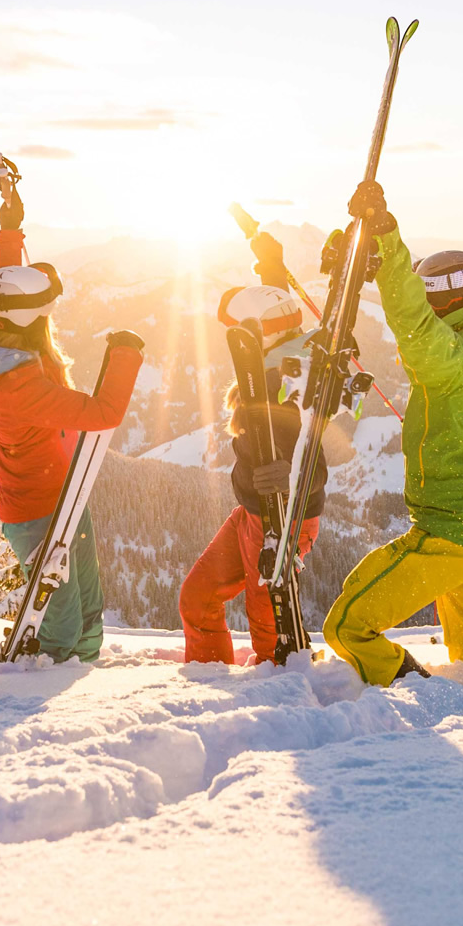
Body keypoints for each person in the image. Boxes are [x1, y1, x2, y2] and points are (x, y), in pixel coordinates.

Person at [323, 180, 463, 685]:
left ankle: (411, 689)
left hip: (453, 533)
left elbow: (410, 316)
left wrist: (386, 234)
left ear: (441, 301)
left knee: (348, 627)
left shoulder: (454, 362)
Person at [0, 179, 143, 662]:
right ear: (33, 319)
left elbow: (7, 286)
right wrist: (125, 353)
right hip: (40, 514)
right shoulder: (19, 387)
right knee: (61, 620)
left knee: (89, 609)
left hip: (65, 498)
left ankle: (84, 678)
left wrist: (10, 230)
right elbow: (103, 414)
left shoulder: (7, 345)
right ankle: (44, 692)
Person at [177, 230, 327, 664]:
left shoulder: (297, 380)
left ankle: (281, 703)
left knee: (270, 629)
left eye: (241, 332)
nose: (234, 338)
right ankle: (208, 679)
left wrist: (294, 477)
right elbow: (275, 306)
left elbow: (316, 452)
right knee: (198, 596)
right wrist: (269, 264)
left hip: (285, 519)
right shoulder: (267, 358)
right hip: (252, 513)